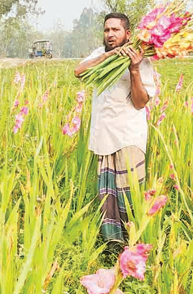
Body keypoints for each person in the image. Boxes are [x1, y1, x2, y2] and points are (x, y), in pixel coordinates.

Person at [74, 12, 156, 243]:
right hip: (103, 137)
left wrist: (134, 69)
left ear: (127, 34)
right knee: (108, 196)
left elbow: (140, 102)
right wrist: (108, 56)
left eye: (115, 30)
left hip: (128, 137)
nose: (110, 34)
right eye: (106, 30)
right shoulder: (100, 54)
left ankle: (135, 246)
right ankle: (112, 246)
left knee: (129, 195)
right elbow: (78, 72)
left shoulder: (141, 60)